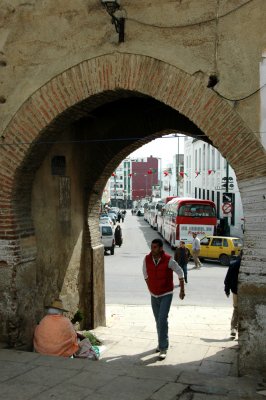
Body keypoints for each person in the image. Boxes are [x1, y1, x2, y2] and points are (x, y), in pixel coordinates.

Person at [143, 238, 185, 360]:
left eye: (155, 247)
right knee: (158, 321)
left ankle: (163, 348)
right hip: (153, 294)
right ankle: (160, 343)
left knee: (162, 319)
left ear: (161, 248)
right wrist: (150, 286)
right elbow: (145, 274)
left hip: (166, 293)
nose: (152, 249)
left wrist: (182, 290)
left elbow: (180, 272)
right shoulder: (147, 259)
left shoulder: (168, 260)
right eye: (152, 247)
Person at [34, 299, 98, 359]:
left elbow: (37, 332)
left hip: (41, 351)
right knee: (76, 340)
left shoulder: (44, 320)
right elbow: (73, 336)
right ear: (60, 311)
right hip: (58, 354)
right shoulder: (65, 321)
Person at [224, 251, 242, 337]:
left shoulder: (233, 264)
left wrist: (227, 290)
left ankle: (234, 328)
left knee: (236, 309)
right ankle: (236, 328)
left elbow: (227, 279)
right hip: (243, 291)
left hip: (235, 291)